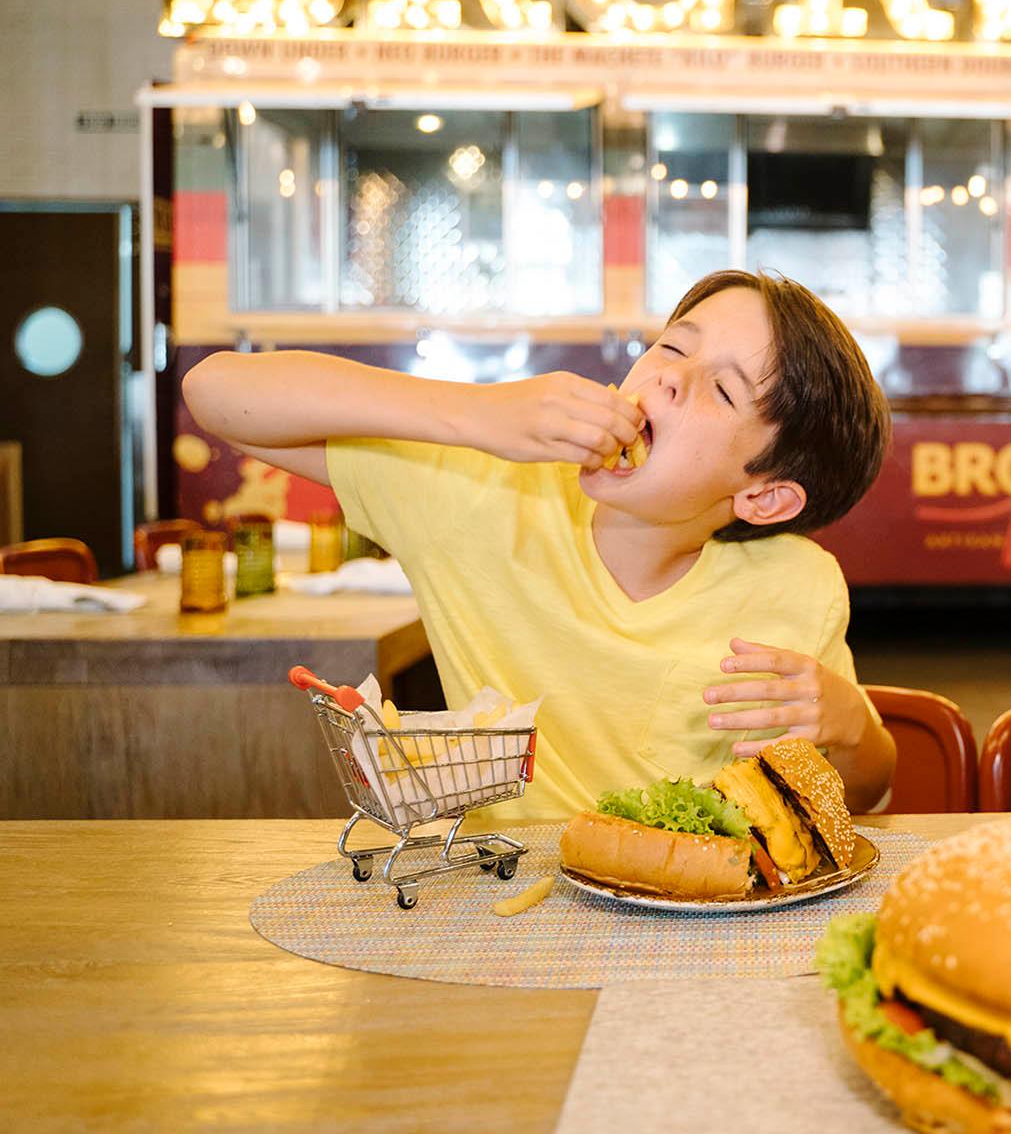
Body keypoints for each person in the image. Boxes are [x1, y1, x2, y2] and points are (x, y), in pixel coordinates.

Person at [182, 269, 898, 816]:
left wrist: (854, 727)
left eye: (722, 391)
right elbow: (215, 391)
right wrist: (476, 412)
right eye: (673, 347)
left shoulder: (796, 583)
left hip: (701, 922)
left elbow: (862, 793)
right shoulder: (485, 491)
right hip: (511, 911)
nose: (669, 378)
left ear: (762, 496)